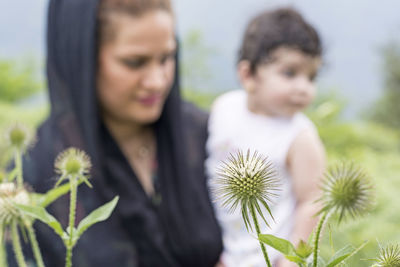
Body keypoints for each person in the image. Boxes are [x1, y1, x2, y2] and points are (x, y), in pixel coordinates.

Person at [10, 0, 223, 266]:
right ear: (83, 59)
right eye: (135, 62)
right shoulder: (35, 172)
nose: (157, 81)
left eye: (167, 58)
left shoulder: (209, 135)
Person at [206, 7, 325, 267]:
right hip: (223, 253)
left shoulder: (300, 136)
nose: (304, 88)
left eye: (312, 76)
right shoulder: (223, 108)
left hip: (269, 259)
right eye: (290, 73)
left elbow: (312, 201)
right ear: (248, 75)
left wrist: (293, 259)